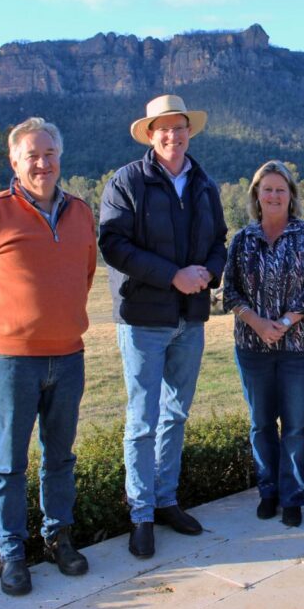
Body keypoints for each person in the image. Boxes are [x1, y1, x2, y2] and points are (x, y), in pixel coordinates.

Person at [0, 118, 97, 596]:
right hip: (11, 363)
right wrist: (0, 334)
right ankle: (12, 553)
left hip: (68, 358)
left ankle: (58, 537)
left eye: (49, 153)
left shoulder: (80, 213)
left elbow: (85, 276)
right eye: (32, 155)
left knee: (60, 458)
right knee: (10, 463)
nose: (42, 162)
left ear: (60, 157)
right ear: (14, 161)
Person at [98, 94, 227, 559]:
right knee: (142, 419)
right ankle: (141, 513)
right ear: (150, 135)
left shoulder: (205, 185)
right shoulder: (127, 182)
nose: (172, 136)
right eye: (163, 129)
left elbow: (219, 241)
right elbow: (113, 245)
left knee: (176, 413)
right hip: (142, 320)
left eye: (180, 127)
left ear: (189, 131)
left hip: (190, 320)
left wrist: (208, 272)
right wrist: (173, 275)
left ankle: (167, 499)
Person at [223, 160, 304, 527]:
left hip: (299, 348)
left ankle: (293, 498)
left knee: (296, 425)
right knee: (261, 424)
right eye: (267, 189)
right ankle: (268, 492)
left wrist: (282, 324)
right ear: (256, 195)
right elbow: (230, 290)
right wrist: (257, 323)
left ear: (291, 195)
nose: (273, 195)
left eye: (280, 189)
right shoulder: (243, 239)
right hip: (252, 350)